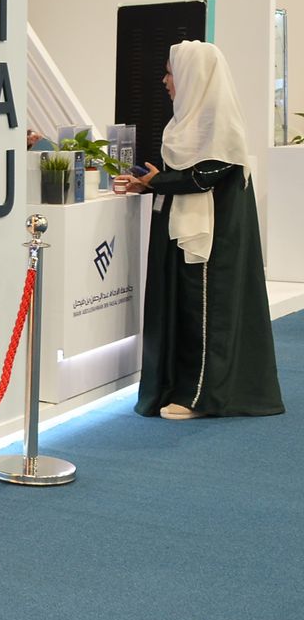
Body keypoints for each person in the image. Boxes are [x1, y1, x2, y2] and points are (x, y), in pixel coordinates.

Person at [121, 40, 283, 419]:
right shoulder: (187, 123)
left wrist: (157, 182)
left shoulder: (221, 126)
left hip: (215, 237)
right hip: (193, 231)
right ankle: (178, 387)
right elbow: (187, 174)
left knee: (206, 310)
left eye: (171, 73)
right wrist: (151, 183)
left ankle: (201, 396)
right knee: (188, 307)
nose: (165, 81)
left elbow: (202, 176)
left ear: (194, 77)